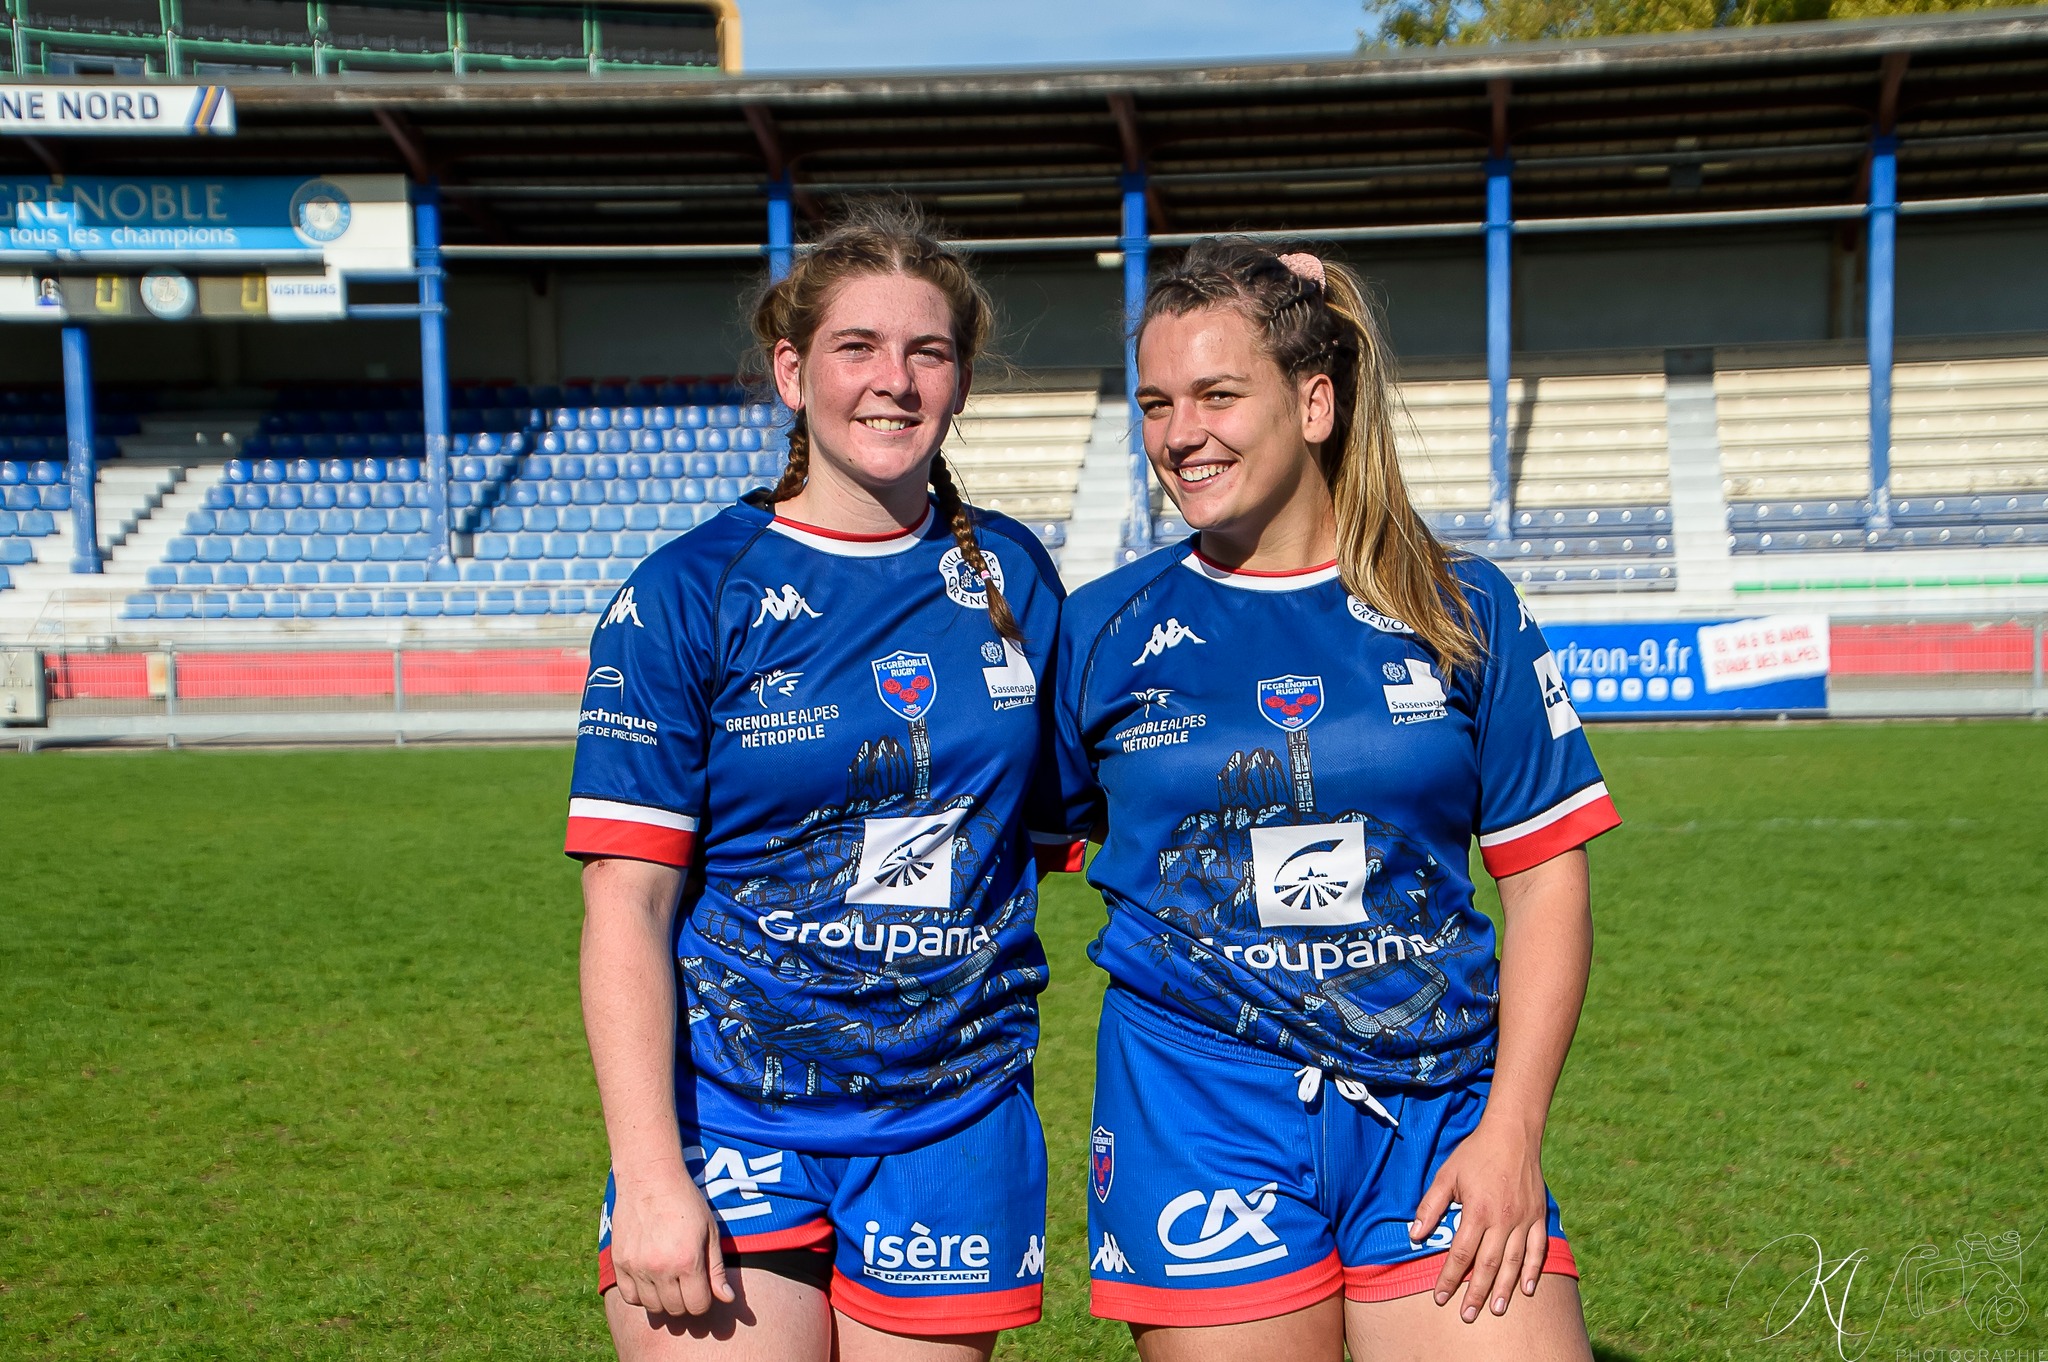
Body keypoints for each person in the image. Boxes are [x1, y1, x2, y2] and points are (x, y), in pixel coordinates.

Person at [1044, 239, 1620, 1361]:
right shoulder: (1101, 628)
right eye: (1156, 403)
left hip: (1441, 1108)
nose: (1179, 434)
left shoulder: (1461, 608)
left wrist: (1514, 1127)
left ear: (1314, 402)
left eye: (1218, 393)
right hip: (1196, 1117)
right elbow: (1014, 848)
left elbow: (1547, 882)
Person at [569, 206, 1079, 1362]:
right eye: (857, 348)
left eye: (927, 352)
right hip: (729, 1115)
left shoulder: (1012, 576)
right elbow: (625, 901)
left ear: (957, 380)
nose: (892, 382)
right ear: (792, 371)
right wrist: (651, 1175)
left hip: (956, 1118)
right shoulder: (688, 591)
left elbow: (1068, 825)